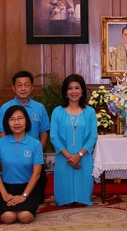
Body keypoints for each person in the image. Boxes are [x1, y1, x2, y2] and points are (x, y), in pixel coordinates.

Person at [0, 71, 51, 202]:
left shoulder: (39, 108)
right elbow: (1, 133)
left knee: (38, 196)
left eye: (27, 85)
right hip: (11, 157)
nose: (23, 88)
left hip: (33, 154)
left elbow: (44, 132)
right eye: (19, 85)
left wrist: (38, 151)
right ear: (14, 88)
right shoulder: (5, 108)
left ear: (32, 87)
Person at [0, 105, 44, 224]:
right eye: (12, 119)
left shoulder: (35, 144)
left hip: (28, 188)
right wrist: (4, 194)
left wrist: (24, 195)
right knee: (8, 218)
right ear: (7, 122)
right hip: (6, 188)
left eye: (20, 118)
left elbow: (36, 173)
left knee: (25, 217)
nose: (17, 122)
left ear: (26, 120)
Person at [50, 74, 97, 206]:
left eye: (77, 88)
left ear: (82, 91)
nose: (73, 91)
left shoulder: (90, 112)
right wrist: (70, 157)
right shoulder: (57, 112)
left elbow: (93, 136)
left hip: (84, 158)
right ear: (65, 92)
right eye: (70, 88)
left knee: (82, 203)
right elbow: (54, 136)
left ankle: (82, 197)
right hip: (64, 157)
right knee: (65, 203)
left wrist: (79, 155)